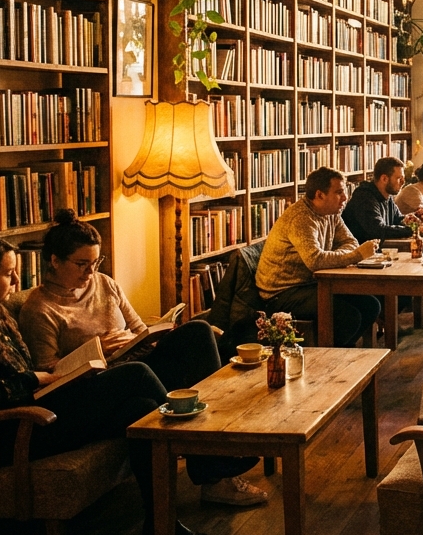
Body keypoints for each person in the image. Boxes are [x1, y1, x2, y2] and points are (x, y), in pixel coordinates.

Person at [0, 234, 217, 535]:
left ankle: (161, 526)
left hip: (35, 411)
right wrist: (31, 380)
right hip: (9, 434)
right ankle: (204, 456)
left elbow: (24, 374)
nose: (17, 279)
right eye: (7, 272)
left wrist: (59, 377)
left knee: (138, 407)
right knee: (136, 376)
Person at [17, 211, 267, 507]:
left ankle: (219, 437)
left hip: (138, 360)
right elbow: (50, 371)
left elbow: (138, 329)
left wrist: (156, 334)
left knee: (198, 331)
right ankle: (211, 465)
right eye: (81, 264)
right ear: (55, 261)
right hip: (102, 385)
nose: (90, 272)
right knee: (142, 376)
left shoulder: (105, 284)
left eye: (96, 263)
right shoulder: (40, 308)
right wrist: (100, 350)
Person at [256, 167, 381, 347]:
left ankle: (341, 352)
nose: (345, 198)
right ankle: (331, 358)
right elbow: (315, 260)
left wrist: (343, 254)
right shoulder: (301, 218)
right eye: (339, 192)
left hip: (312, 283)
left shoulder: (332, 213)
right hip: (283, 292)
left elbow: (350, 241)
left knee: (371, 306)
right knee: (348, 316)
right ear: (319, 195)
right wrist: (355, 256)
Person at [344, 156, 423, 243]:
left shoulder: (388, 196)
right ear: (384, 179)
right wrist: (414, 229)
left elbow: (398, 219)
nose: (403, 183)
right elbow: (378, 230)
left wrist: (415, 219)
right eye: (399, 178)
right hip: (362, 256)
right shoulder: (364, 197)